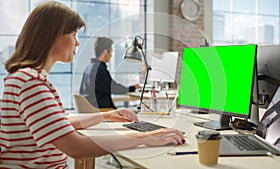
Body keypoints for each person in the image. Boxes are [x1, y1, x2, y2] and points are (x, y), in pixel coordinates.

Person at [0, 1, 184, 168]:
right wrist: (142, 137)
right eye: (73, 34)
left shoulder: (25, 79)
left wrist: (106, 115)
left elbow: (60, 122)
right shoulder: (30, 83)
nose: (77, 42)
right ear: (53, 36)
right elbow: (76, 147)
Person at [79, 37, 140, 109]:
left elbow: (81, 91)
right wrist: (133, 88)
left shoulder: (89, 67)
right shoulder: (99, 69)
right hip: (100, 109)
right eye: (111, 52)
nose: (111, 56)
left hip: (90, 108)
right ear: (105, 52)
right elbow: (113, 88)